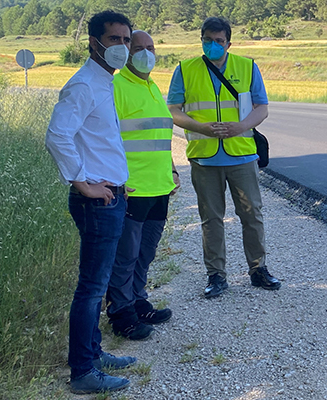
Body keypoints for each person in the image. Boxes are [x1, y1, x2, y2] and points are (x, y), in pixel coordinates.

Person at [45, 10, 137, 394]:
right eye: (114, 39)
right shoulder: (83, 85)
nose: (122, 47)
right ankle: (83, 370)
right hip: (96, 203)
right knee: (92, 288)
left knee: (96, 285)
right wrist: (83, 183)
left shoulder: (105, 81)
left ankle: (94, 353)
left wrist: (117, 180)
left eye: (126, 40)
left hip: (110, 195)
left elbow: (99, 140)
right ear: (94, 43)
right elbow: (57, 135)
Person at [167, 16, 280, 298]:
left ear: (229, 43)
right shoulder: (185, 69)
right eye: (208, 40)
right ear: (201, 40)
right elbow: (173, 110)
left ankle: (258, 269)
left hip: (242, 154)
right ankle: (216, 275)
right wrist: (201, 127)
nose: (213, 45)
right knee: (211, 219)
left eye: (219, 41)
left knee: (252, 215)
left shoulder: (247, 66)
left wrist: (241, 126)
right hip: (204, 157)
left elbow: (262, 107)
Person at [106, 30, 179, 341]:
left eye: (151, 48)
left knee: (146, 253)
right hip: (132, 188)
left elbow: (160, 136)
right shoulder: (116, 88)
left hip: (159, 186)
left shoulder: (152, 86)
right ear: (126, 52)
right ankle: (121, 314)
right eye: (138, 48)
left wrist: (171, 170)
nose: (146, 54)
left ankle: (138, 301)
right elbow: (106, 140)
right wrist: (115, 180)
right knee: (125, 256)